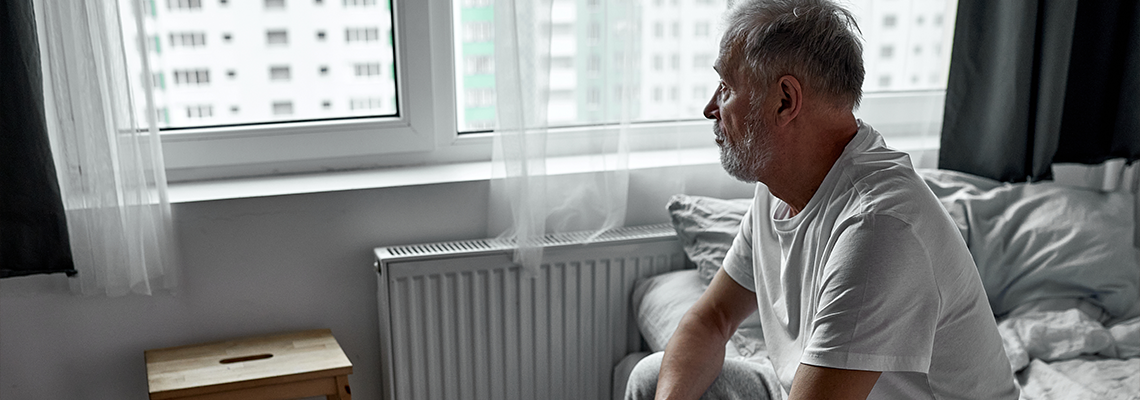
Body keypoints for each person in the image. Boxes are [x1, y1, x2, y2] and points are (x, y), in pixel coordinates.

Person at [625, 0, 1020, 399]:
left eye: (726, 88)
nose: (710, 108)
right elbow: (712, 319)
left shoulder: (879, 226)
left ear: (784, 100)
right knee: (652, 376)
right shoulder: (777, 189)